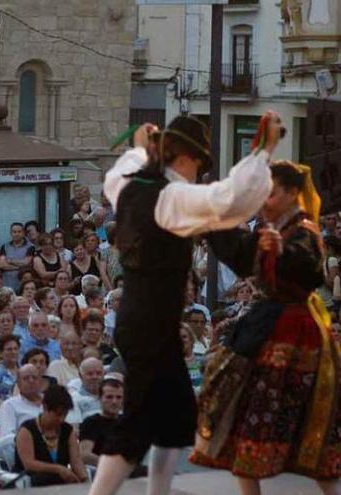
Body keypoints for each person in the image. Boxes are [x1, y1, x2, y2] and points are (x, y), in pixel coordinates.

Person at [88, 111, 282, 495]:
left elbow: (119, 171)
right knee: (140, 419)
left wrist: (141, 149)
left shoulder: (127, 186)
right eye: (199, 163)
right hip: (148, 323)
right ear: (186, 157)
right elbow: (228, 198)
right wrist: (263, 152)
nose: (200, 172)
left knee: (177, 416)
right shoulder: (173, 195)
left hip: (146, 320)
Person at [191, 161, 341, 494]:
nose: (264, 201)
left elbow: (309, 269)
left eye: (271, 194)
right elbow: (244, 255)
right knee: (242, 417)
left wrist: (281, 251)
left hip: (296, 332)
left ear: (292, 194)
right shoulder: (272, 229)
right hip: (266, 326)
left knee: (307, 422)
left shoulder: (305, 231)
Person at [14, 384, 87, 486]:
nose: (61, 419)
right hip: (31, 482)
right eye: (58, 414)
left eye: (64, 415)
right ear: (45, 407)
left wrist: (85, 480)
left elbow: (76, 461)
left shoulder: (67, 430)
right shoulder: (27, 430)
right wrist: (58, 469)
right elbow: (29, 464)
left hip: (59, 483)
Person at [80, 378, 127, 470]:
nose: (114, 402)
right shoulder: (91, 423)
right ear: (100, 398)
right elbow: (85, 455)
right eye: (109, 397)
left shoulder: (127, 422)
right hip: (104, 470)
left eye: (119, 397)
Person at [0, 364, 44, 437]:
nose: (31, 381)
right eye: (26, 378)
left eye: (34, 378)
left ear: (41, 382)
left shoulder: (51, 401)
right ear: (18, 383)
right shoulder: (9, 405)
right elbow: (7, 438)